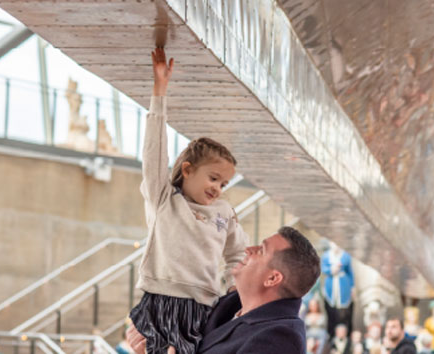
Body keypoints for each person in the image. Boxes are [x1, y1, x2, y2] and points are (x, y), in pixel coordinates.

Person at [128, 48, 247, 354]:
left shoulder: (223, 213)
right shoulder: (165, 199)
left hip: (204, 306)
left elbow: (238, 253)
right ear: (187, 170)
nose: (218, 188)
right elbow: (154, 153)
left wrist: (236, 287)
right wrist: (159, 93)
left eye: (224, 183)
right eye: (213, 178)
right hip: (162, 300)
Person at [127, 227, 321, 354]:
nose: (249, 249)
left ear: (272, 278)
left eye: (261, 250)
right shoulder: (228, 305)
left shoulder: (280, 340)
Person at [322, 241, 355, 338]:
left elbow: (350, 272)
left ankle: (347, 335)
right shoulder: (326, 256)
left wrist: (352, 287)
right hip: (331, 285)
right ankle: (332, 335)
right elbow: (323, 269)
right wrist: (331, 270)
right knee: (331, 311)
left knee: (345, 312)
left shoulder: (345, 256)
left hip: (343, 285)